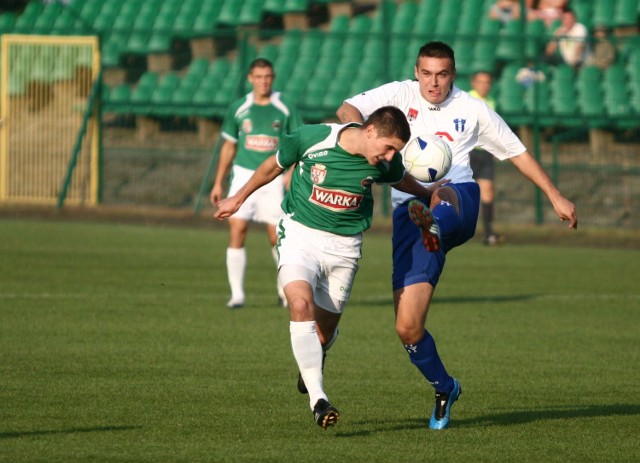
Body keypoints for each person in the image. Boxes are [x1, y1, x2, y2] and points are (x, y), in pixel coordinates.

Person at [336, 41, 577, 430]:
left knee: (442, 195)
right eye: (427, 73)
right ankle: (445, 387)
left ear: (453, 75)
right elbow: (348, 109)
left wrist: (555, 195)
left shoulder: (472, 109)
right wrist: (357, 139)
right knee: (407, 327)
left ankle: (434, 220)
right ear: (417, 71)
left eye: (442, 74)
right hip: (409, 216)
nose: (434, 82)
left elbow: (517, 152)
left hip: (458, 199)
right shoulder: (397, 94)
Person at [214, 106, 445, 429]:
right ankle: (319, 399)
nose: (391, 155)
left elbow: (401, 179)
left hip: (345, 249)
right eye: (388, 147)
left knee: (322, 333)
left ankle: (315, 357)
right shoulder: (312, 138)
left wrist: (427, 192)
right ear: (369, 131)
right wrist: (237, 198)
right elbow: (272, 166)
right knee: (299, 304)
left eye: (396, 150)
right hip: (299, 235)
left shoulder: (383, 163)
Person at [210, 58, 303, 309]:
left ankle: (284, 292)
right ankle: (237, 294)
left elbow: (297, 142)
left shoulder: (285, 106)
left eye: (268, 76)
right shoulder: (239, 108)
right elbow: (229, 145)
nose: (264, 81)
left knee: (276, 236)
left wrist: (291, 170)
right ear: (250, 78)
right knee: (237, 229)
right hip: (243, 175)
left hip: (273, 176)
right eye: (259, 77)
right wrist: (218, 182)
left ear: (273, 78)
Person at [468, 71, 501, 245]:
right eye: (481, 82)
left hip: (485, 153)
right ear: (474, 83)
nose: (484, 85)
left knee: (488, 191)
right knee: (458, 191)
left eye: (487, 82)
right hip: (469, 152)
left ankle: (488, 233)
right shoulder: (467, 99)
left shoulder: (491, 102)